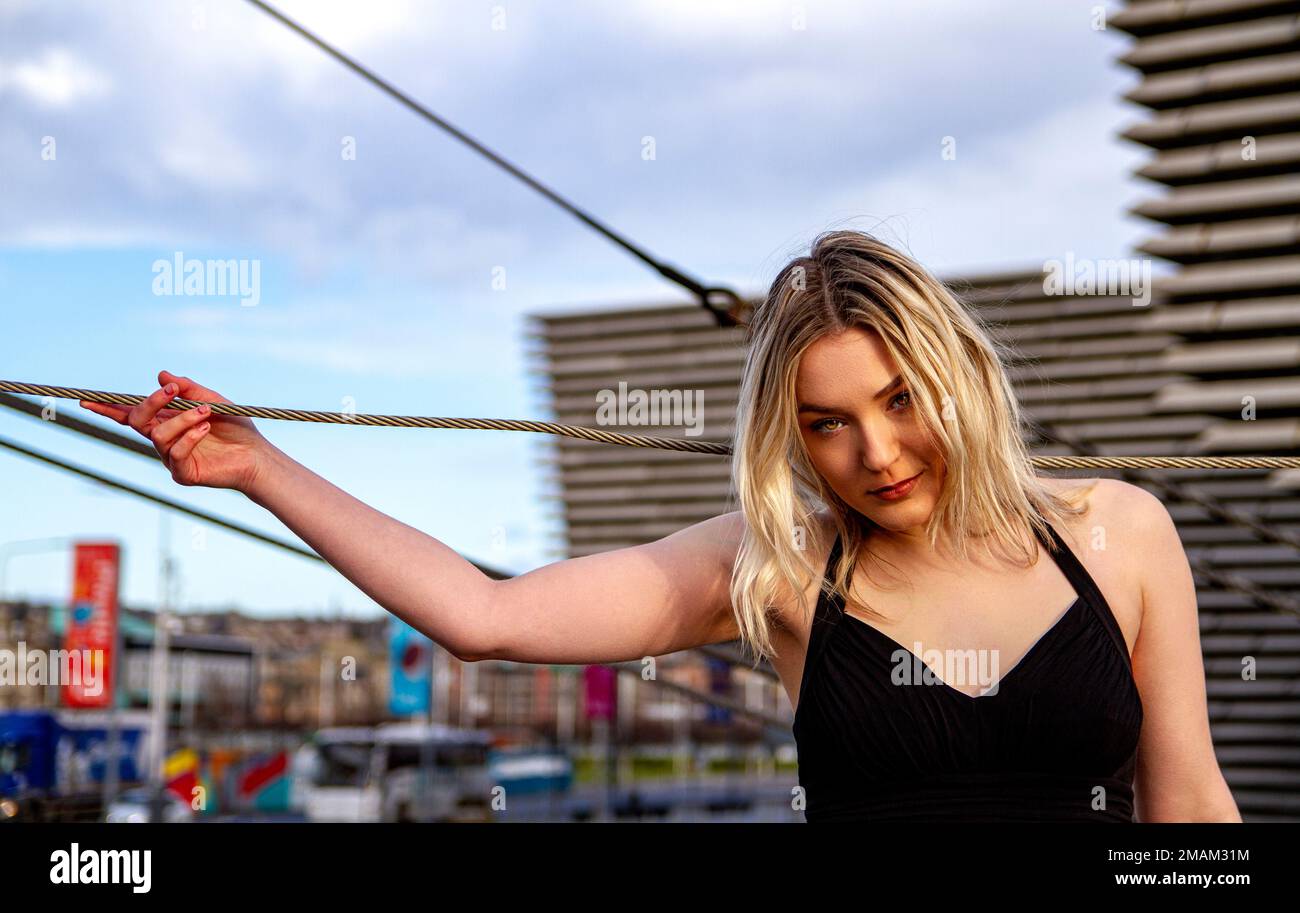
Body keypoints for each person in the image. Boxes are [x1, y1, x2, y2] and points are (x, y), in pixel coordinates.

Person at [81, 229, 1241, 823]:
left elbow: (1185, 802)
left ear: (959, 378)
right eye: (826, 424)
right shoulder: (780, 562)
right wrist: (261, 466)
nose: (875, 455)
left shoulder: (1116, 534)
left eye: (898, 401)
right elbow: (486, 616)